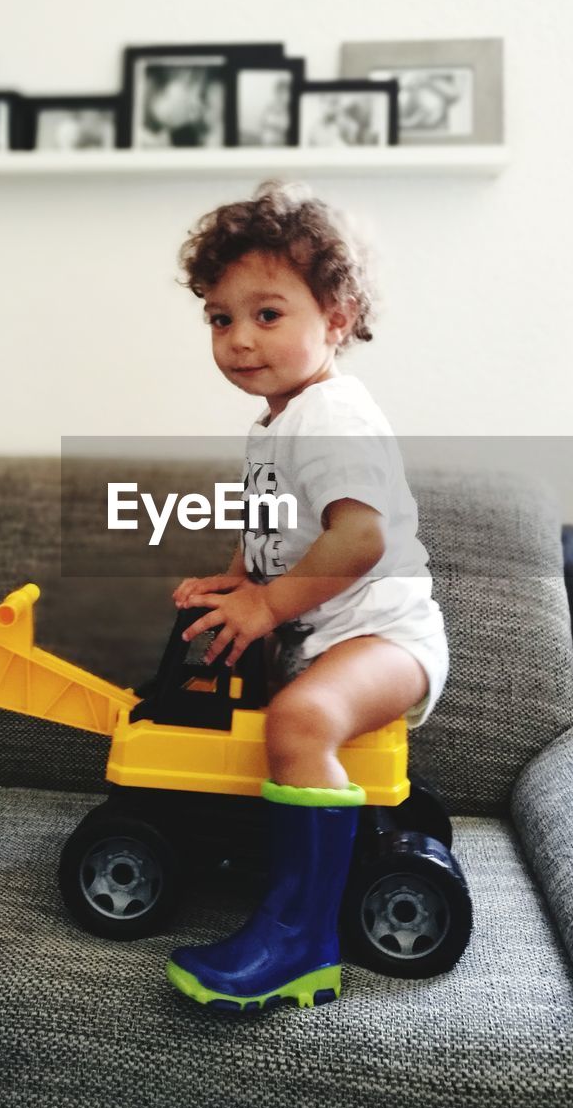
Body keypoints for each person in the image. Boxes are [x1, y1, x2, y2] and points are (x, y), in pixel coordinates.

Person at [165, 180, 448, 1011]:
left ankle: (299, 943)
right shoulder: (279, 423)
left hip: (387, 641)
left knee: (296, 720)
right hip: (340, 638)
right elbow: (279, 527)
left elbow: (358, 539)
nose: (240, 339)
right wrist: (242, 580)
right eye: (221, 318)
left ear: (336, 314)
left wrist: (263, 608)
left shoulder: (331, 415)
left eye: (267, 314)